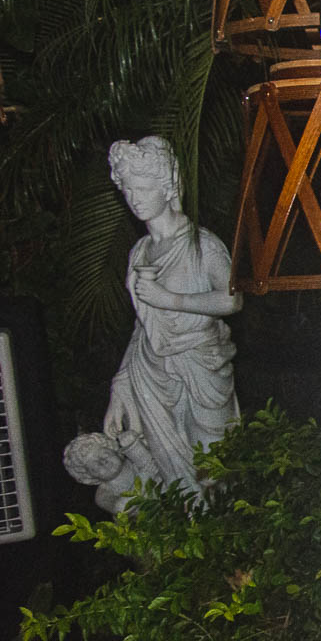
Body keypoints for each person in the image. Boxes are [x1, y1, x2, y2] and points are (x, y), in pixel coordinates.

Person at [104, 136, 241, 495]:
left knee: (214, 469)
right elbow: (142, 326)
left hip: (201, 367)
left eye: (143, 188)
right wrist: (121, 383)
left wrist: (169, 299)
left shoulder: (202, 244)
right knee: (172, 478)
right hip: (151, 372)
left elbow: (232, 299)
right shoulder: (139, 252)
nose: (134, 198)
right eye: (128, 189)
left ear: (166, 188)